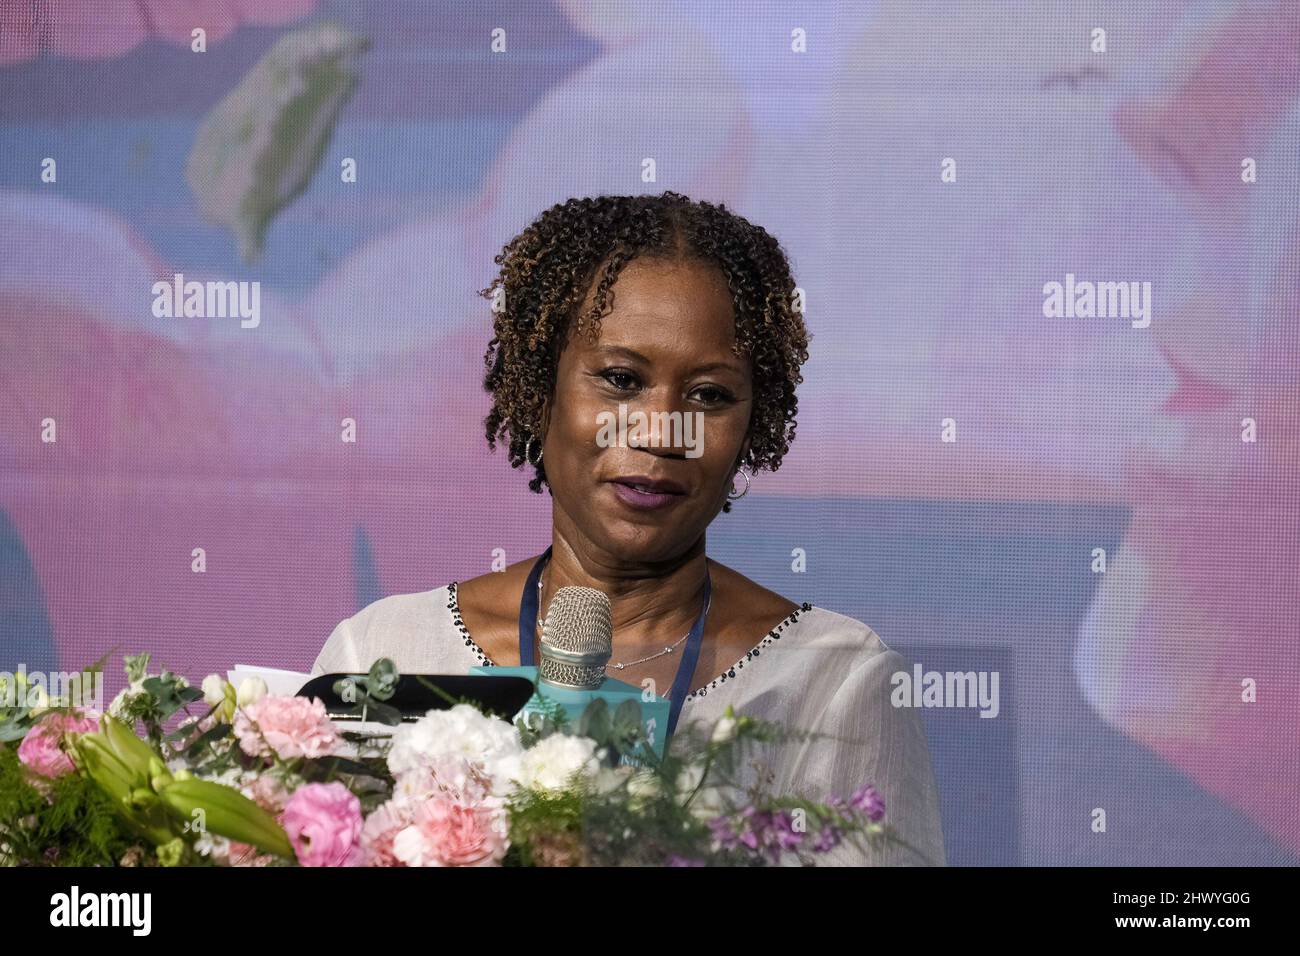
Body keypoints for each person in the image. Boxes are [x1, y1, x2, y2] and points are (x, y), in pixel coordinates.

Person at [312, 191, 945, 866]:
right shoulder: (384, 652)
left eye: (709, 395)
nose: (659, 429)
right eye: (620, 379)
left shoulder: (835, 681)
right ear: (538, 392)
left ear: (751, 425)